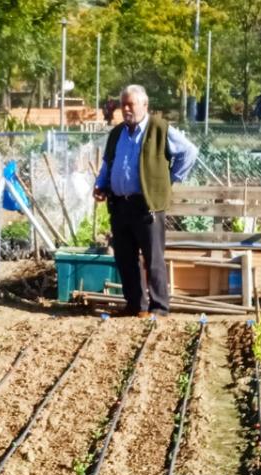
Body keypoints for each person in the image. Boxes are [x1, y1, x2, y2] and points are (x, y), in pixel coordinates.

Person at [93, 85, 198, 317]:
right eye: (124, 104)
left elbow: (189, 152)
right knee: (125, 258)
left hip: (147, 206)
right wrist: (101, 184)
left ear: (145, 105)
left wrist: (168, 180)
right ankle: (135, 306)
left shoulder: (159, 128)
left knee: (153, 259)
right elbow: (108, 163)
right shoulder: (117, 133)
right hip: (120, 205)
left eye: (131, 104)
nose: (126, 109)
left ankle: (159, 308)